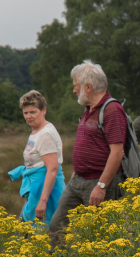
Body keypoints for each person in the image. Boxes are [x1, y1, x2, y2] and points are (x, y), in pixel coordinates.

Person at [48, 60, 127, 236]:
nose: (74, 90)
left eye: (76, 86)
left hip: (98, 182)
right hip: (78, 180)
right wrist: (78, 170)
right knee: (57, 227)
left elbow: (117, 152)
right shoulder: (88, 108)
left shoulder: (112, 110)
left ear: (88, 87)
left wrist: (101, 186)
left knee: (97, 235)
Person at [9, 90, 65, 225]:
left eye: (33, 112)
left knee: (37, 236)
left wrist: (43, 201)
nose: (29, 116)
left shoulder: (45, 135)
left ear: (43, 110)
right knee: (28, 233)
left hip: (46, 192)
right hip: (36, 189)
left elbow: (52, 169)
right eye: (25, 113)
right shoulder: (36, 130)